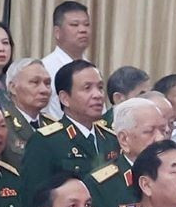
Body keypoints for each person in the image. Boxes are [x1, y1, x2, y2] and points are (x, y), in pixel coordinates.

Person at [17, 60, 116, 193]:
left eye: (100, 87)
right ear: (65, 98)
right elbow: (34, 198)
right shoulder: (45, 142)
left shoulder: (111, 138)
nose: (97, 95)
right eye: (87, 88)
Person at [85, 95, 169, 207]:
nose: (160, 138)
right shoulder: (101, 185)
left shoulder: (174, 175)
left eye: (163, 130)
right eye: (149, 131)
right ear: (124, 139)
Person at [38, 1, 93, 117]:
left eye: (86, 24)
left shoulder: (90, 68)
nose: (83, 30)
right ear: (57, 32)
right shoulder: (45, 68)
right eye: (74, 25)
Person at [1, 57, 56, 168]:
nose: (44, 90)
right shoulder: (1, 124)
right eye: (35, 82)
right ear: (13, 88)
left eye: (47, 83)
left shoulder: (53, 125)